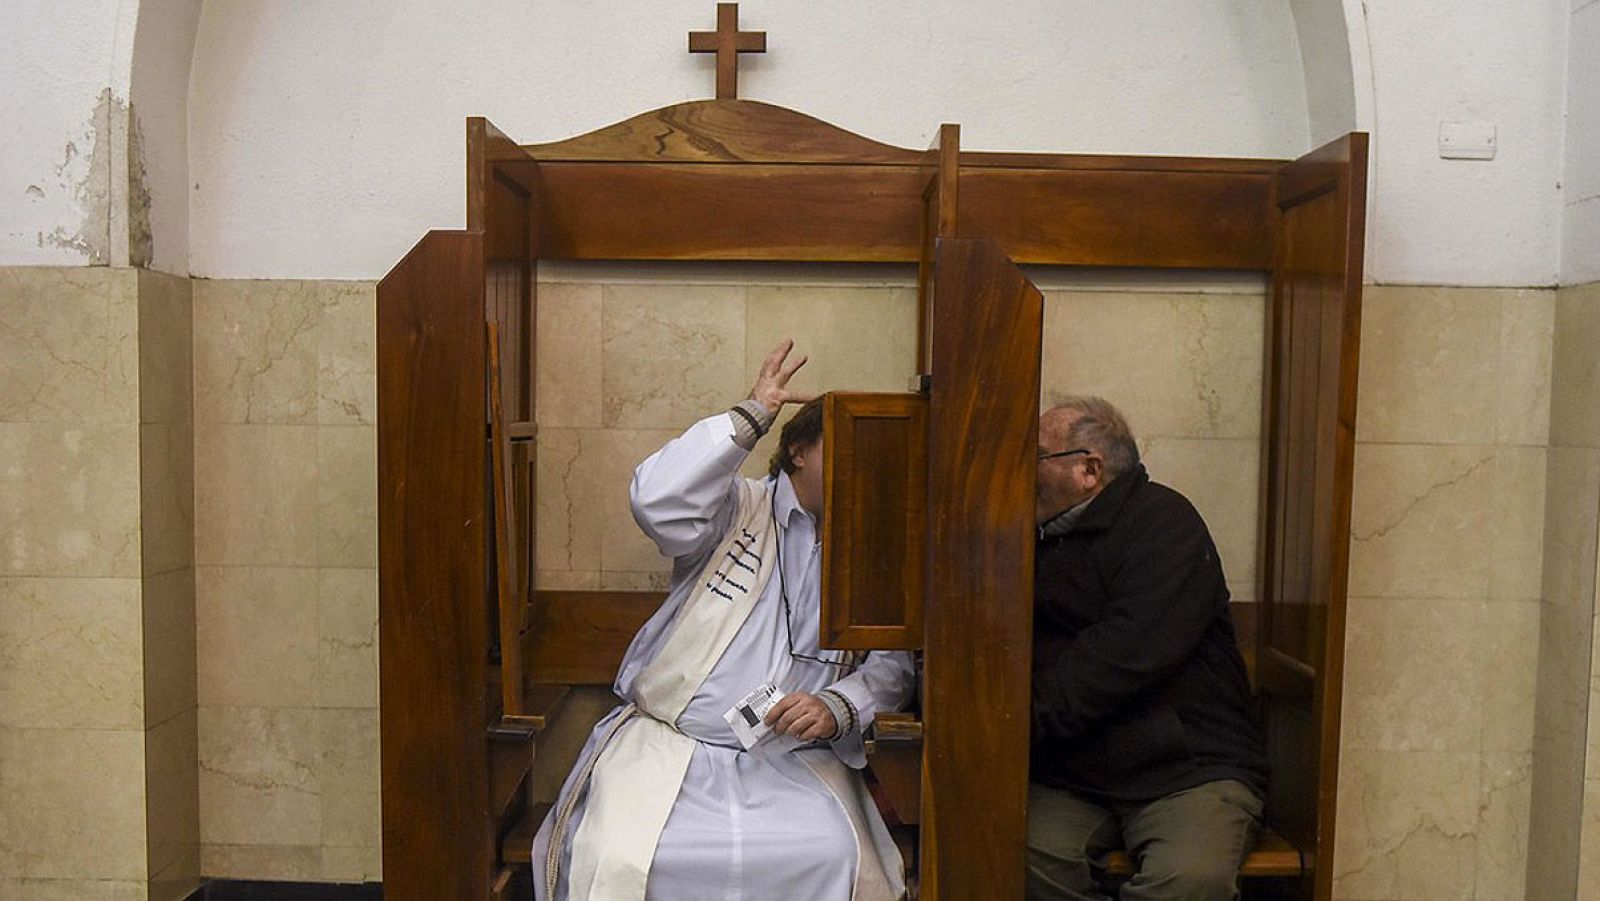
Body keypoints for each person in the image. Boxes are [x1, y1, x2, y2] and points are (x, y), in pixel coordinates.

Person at [534, 339, 916, 901]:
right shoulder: (735, 507)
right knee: (617, 858)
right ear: (797, 453)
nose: (862, 469)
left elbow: (892, 668)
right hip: (670, 752)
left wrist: (837, 707)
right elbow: (657, 502)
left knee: (833, 856)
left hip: (794, 763)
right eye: (845, 450)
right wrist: (751, 415)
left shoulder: (878, 549)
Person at [1027, 396, 1270, 901]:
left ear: (1088, 469)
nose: (1019, 473)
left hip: (1187, 768)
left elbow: (1123, 656)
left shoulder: (1165, 523)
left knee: (1186, 881)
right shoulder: (1030, 539)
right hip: (1075, 773)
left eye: (1035, 456)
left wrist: (1017, 722)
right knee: (1013, 855)